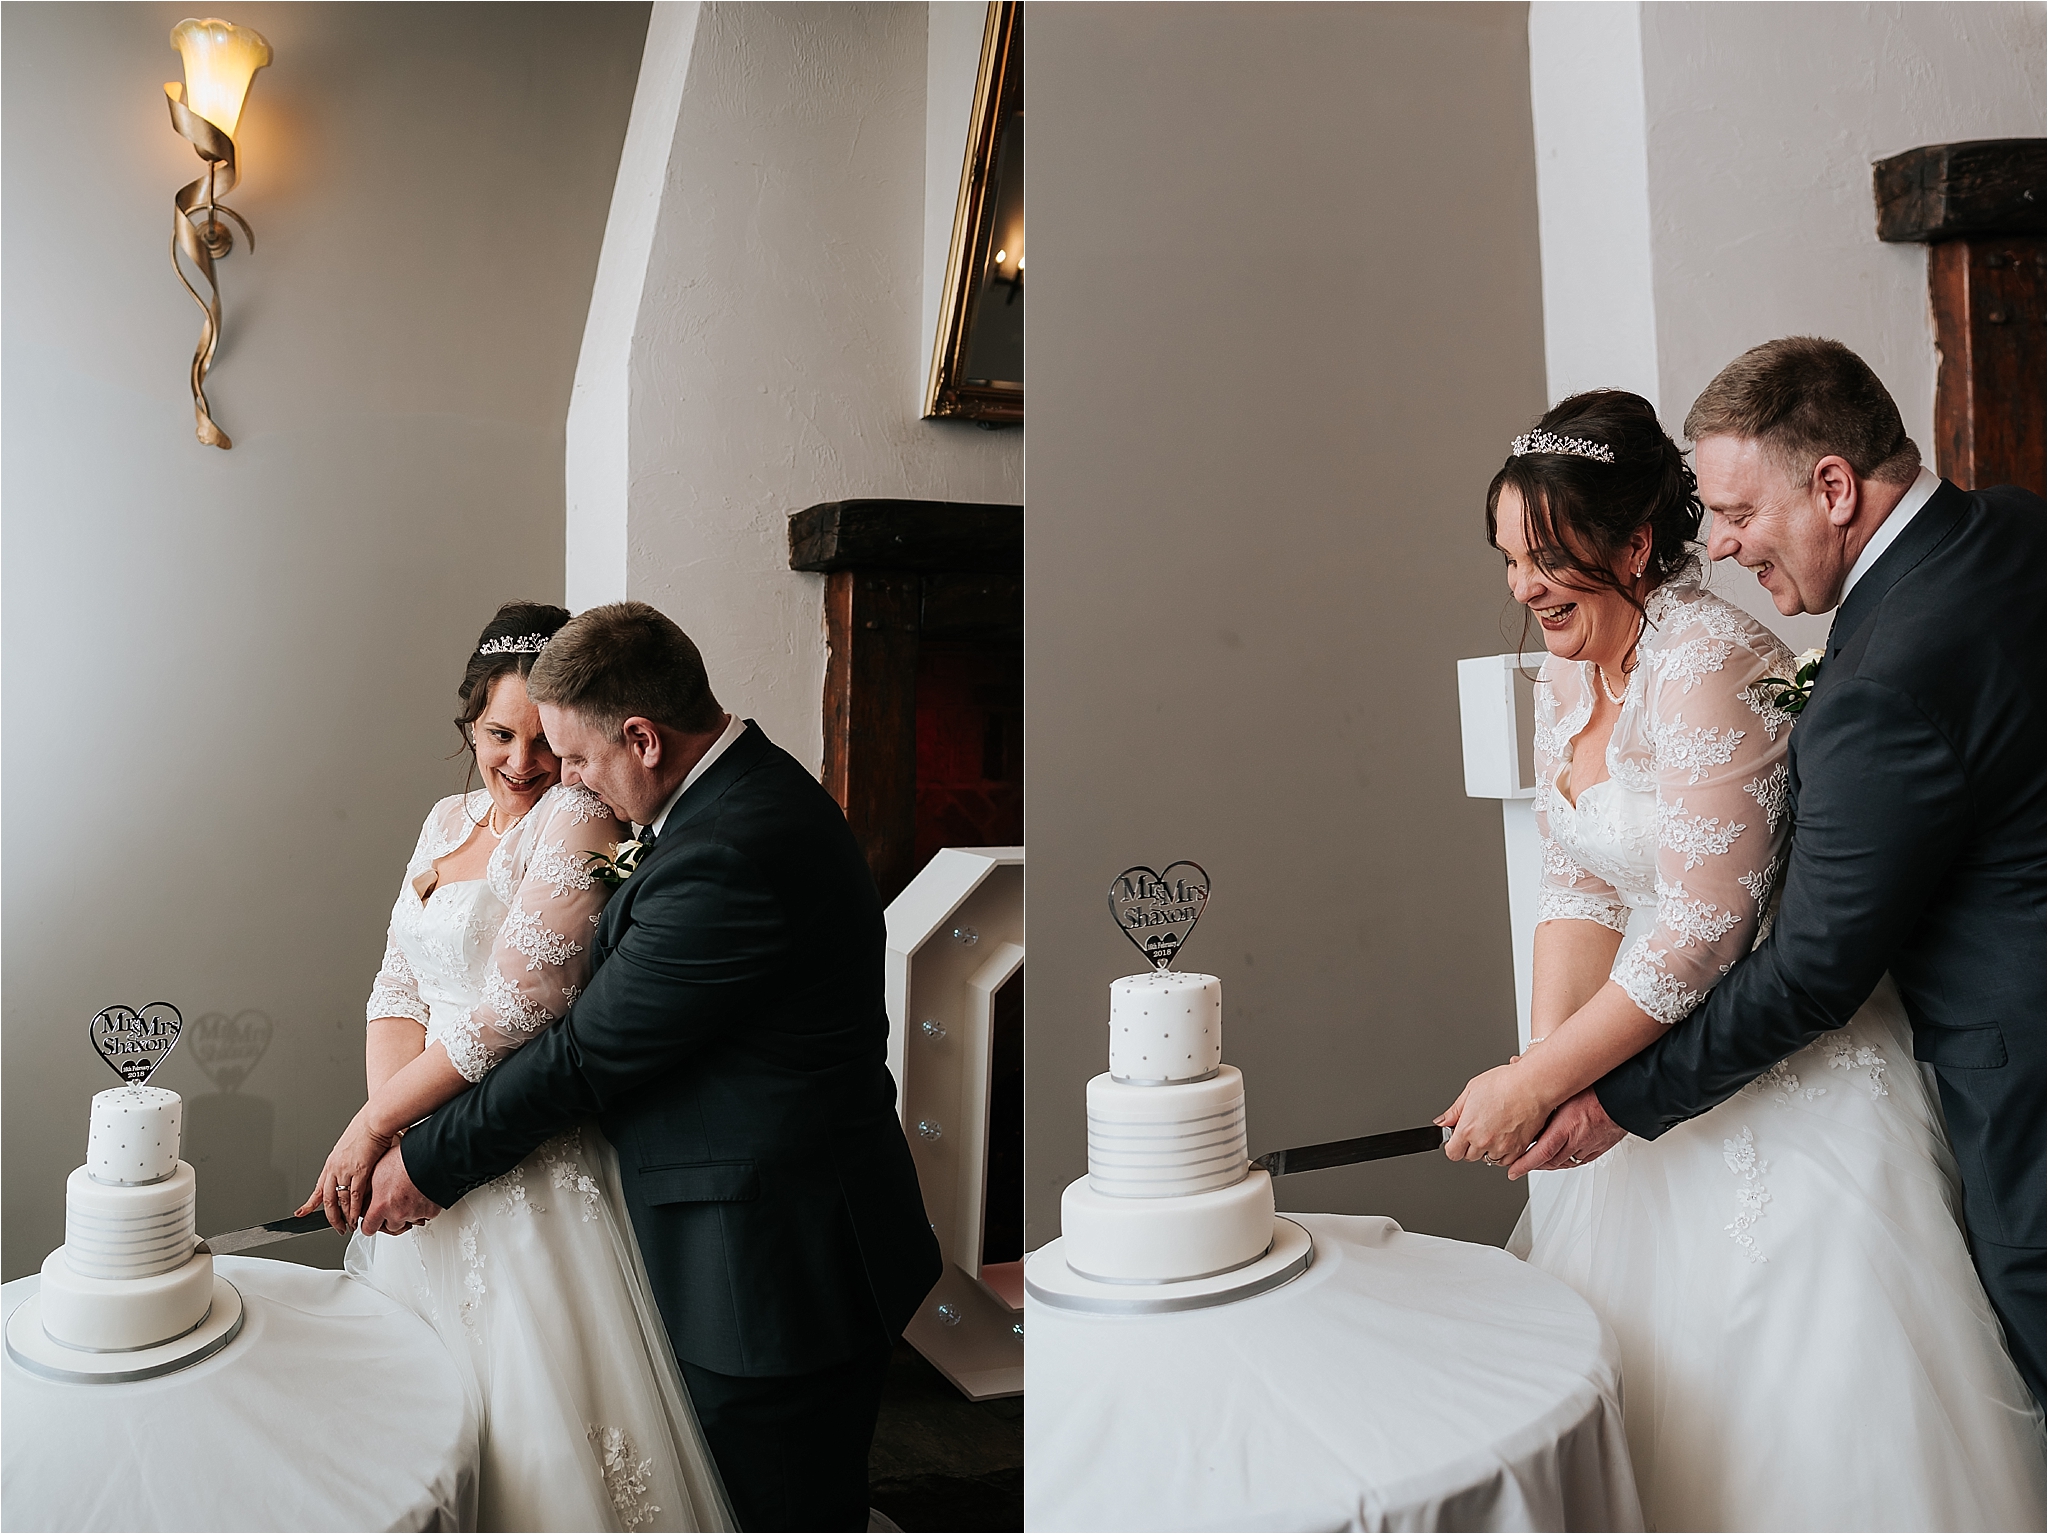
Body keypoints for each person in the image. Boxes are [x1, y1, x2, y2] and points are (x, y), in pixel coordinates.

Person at [1440, 382, 2043, 1530]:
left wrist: (1547, 1083)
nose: (1522, 587)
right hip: (1635, 1070)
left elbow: (1696, 936)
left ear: (1630, 545)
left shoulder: (1711, 658)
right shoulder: (1562, 675)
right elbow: (1574, 881)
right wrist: (1544, 1055)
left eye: (1547, 556)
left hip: (1766, 1077)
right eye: (1506, 558)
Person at [359, 599, 943, 1534]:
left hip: (774, 1272)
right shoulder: (735, 794)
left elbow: (586, 1057)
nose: (568, 785)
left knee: (783, 1510)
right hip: (758, 1234)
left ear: (643, 737)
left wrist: (424, 1160)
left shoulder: (732, 849)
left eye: (579, 760)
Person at [302, 601, 732, 1532]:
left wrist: (383, 1130)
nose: (526, 762)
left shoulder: (575, 820)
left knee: (537, 1423)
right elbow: (398, 982)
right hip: (423, 1128)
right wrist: (395, 1123)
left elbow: (518, 1010)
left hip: (518, 1150)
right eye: (501, 733)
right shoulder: (445, 818)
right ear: (469, 723)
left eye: (547, 740)